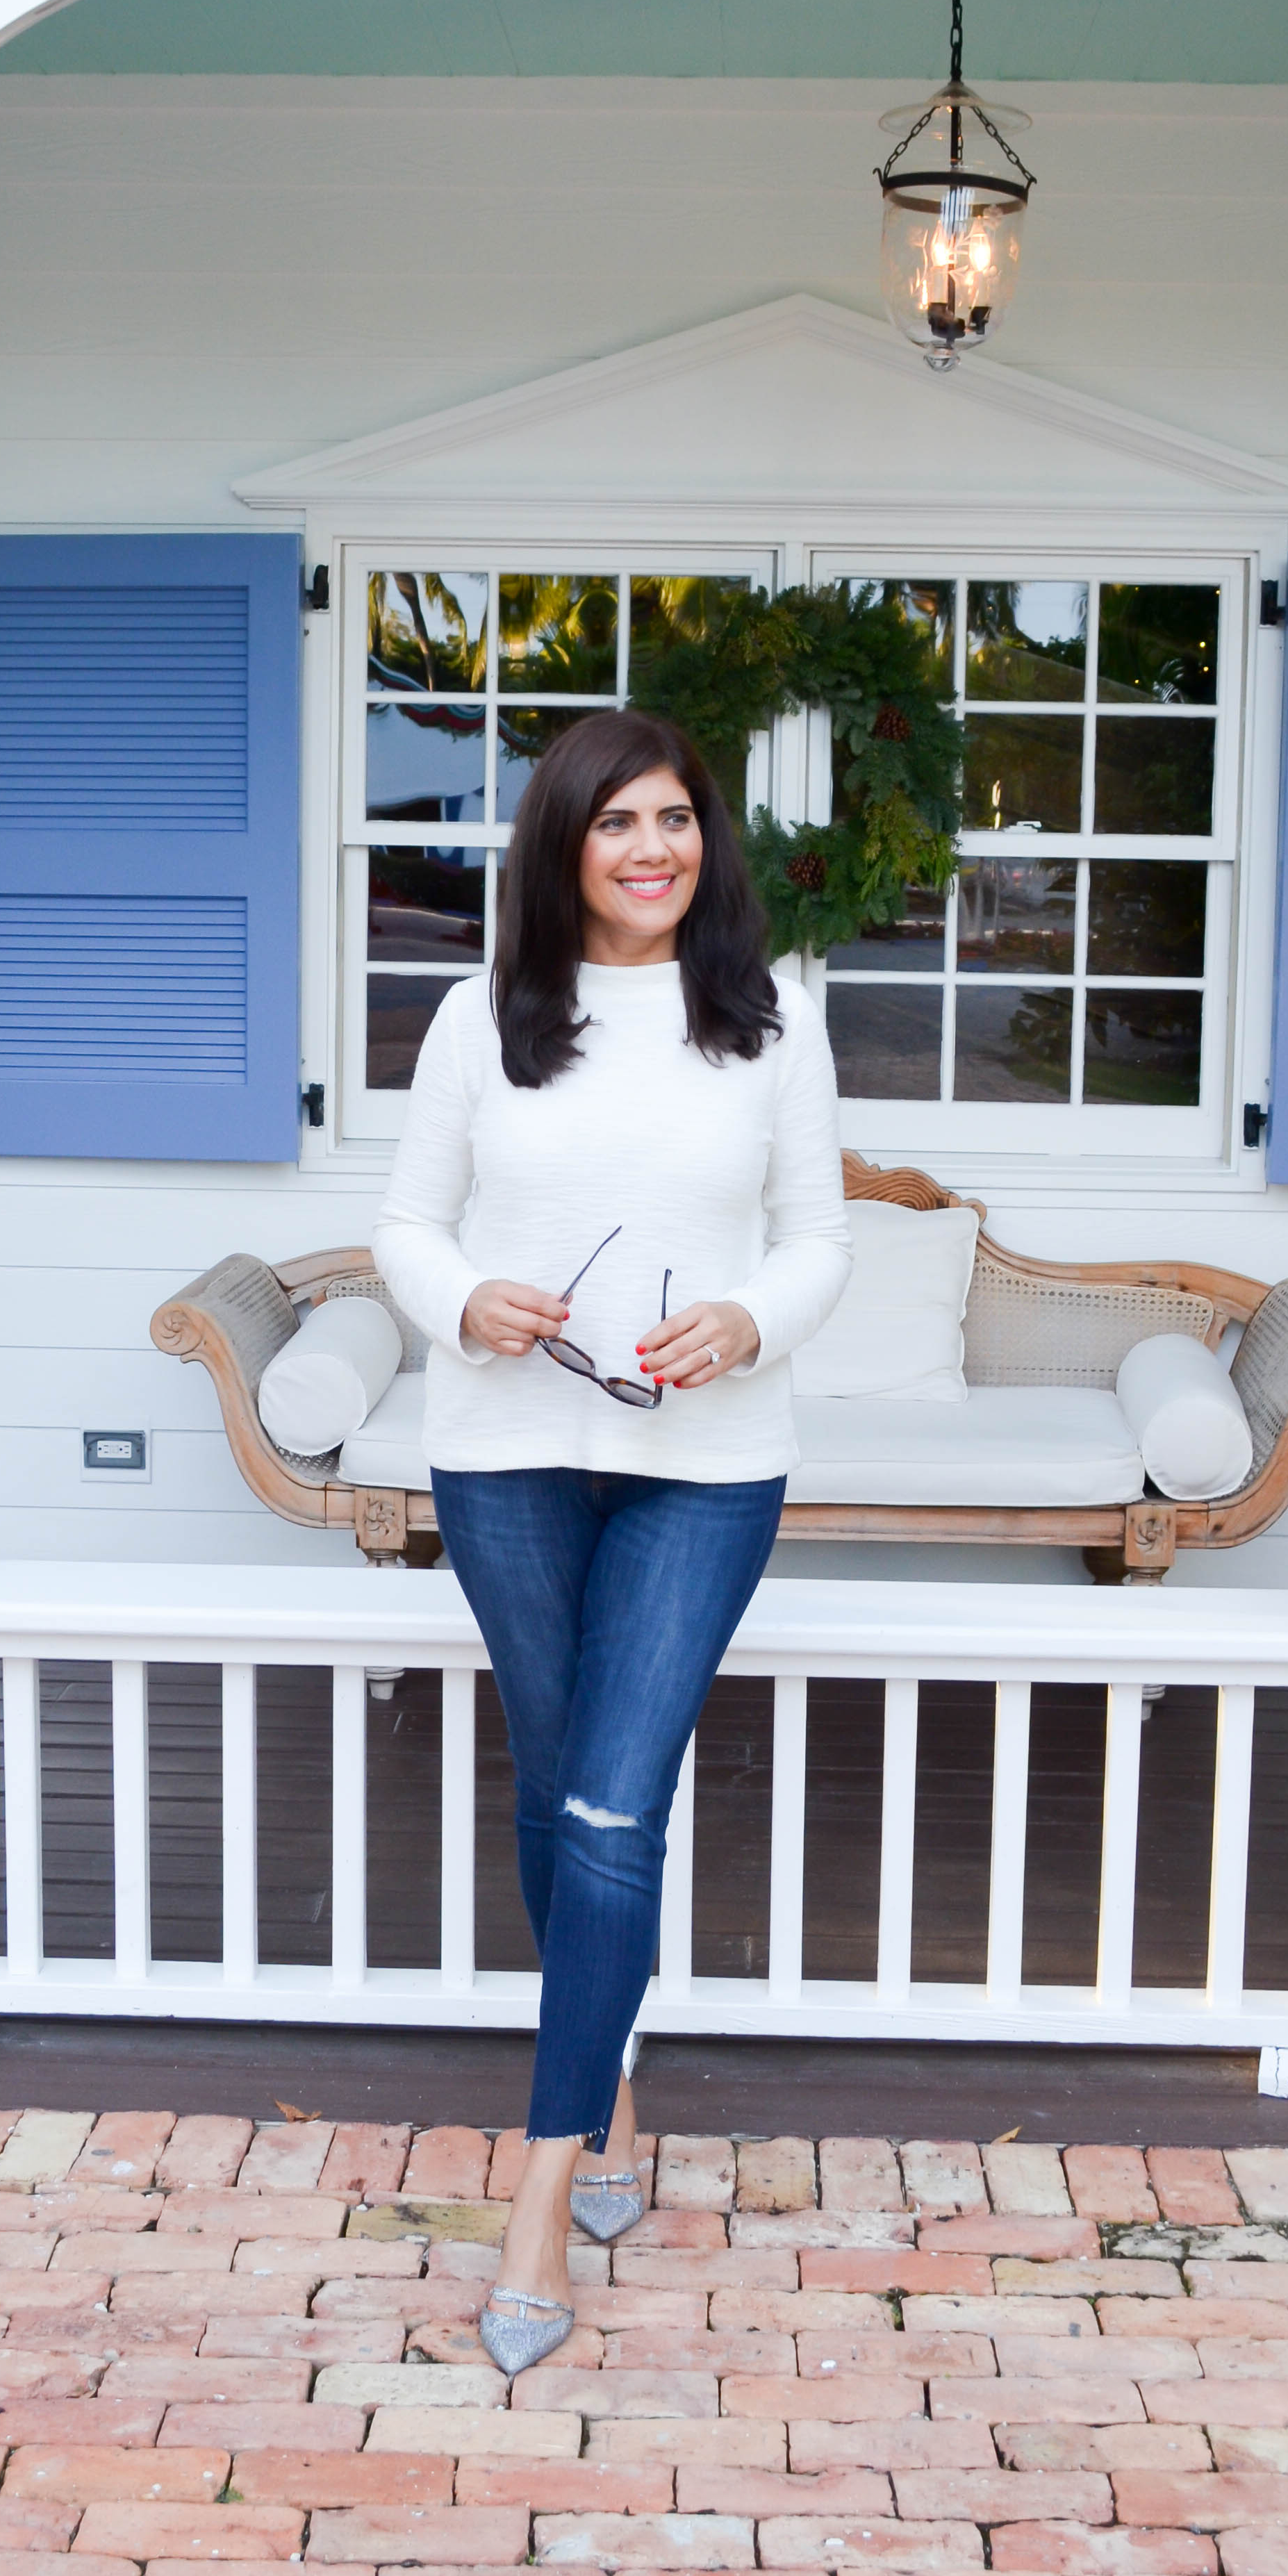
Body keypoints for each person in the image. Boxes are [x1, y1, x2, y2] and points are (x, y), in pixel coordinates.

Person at [373, 707, 850, 2372]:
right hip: (505, 1450)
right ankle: (621, 2088)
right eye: (617, 823)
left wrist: (748, 1321)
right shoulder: (479, 1018)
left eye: (677, 820)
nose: (654, 849)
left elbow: (819, 1238)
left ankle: (536, 2201)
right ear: (562, 844)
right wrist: (467, 1300)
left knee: (613, 1801)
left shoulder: (771, 1024)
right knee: (556, 1784)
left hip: (704, 1468)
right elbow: (407, 1228)